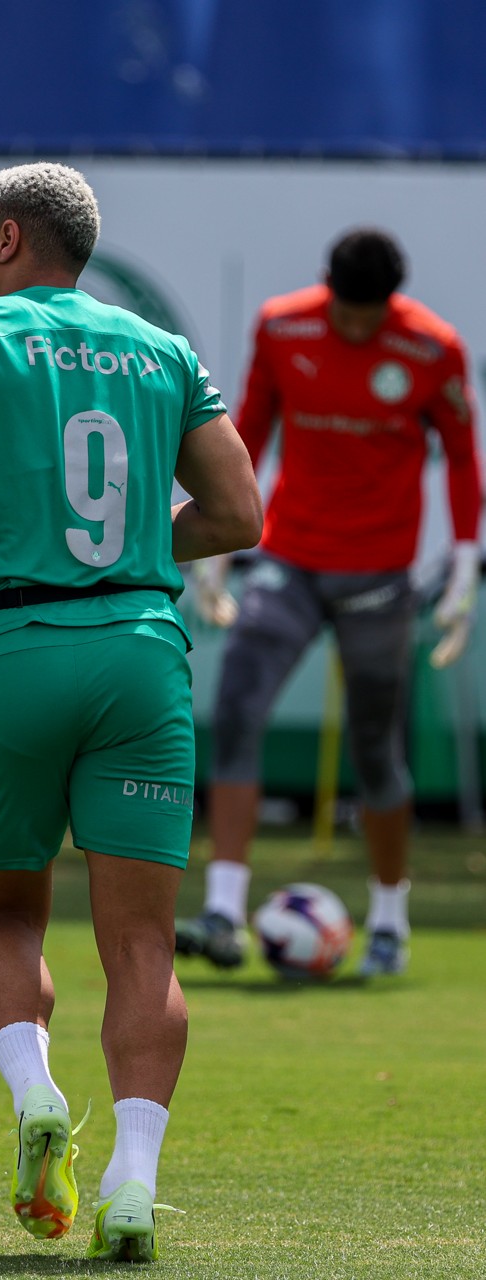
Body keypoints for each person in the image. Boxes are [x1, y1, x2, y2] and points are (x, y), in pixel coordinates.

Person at [0, 163, 261, 1262]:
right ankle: (133, 1180)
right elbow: (239, 512)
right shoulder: (161, 351)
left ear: (7, 239)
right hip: (140, 653)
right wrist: (141, 544)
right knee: (143, 943)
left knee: (3, 922)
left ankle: (35, 1090)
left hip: (13, 643)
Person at [178, 228, 482, 978]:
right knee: (238, 707)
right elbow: (248, 429)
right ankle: (223, 911)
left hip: (379, 573)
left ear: (392, 301)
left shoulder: (432, 348)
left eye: (368, 315)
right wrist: (217, 544)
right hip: (289, 560)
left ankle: (389, 921)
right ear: (327, 286)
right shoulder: (283, 327)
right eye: (346, 311)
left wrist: (464, 566)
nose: (354, 327)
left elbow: (461, 457)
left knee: (377, 748)